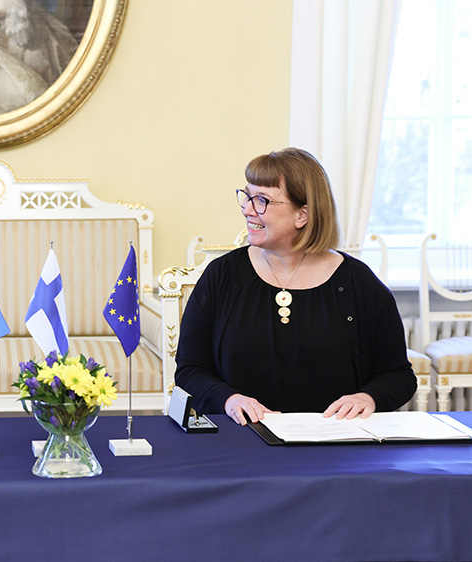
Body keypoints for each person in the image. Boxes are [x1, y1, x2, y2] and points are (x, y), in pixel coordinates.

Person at [174, 147, 416, 426]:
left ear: (303, 215)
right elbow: (190, 370)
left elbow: (398, 376)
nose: (248, 210)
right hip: (241, 437)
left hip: (332, 441)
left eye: (262, 200)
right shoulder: (222, 276)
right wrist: (229, 399)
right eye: (247, 196)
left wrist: (368, 398)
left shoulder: (359, 284)